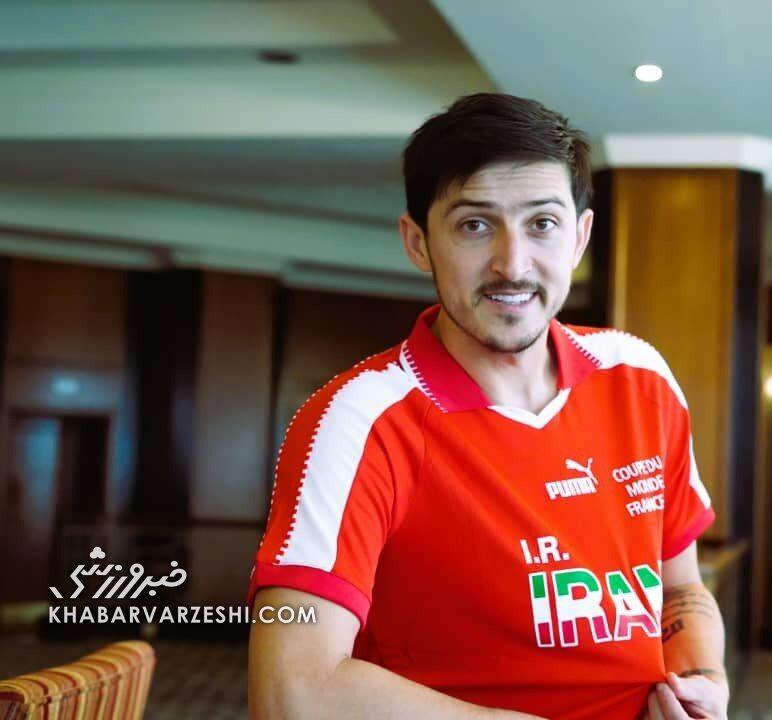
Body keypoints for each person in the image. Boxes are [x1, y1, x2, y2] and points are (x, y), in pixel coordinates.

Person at [247, 92, 730, 720]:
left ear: (580, 237)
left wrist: (702, 680)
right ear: (418, 243)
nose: (513, 264)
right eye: (475, 225)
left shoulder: (639, 376)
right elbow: (291, 692)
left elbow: (681, 586)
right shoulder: (357, 420)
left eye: (542, 223)